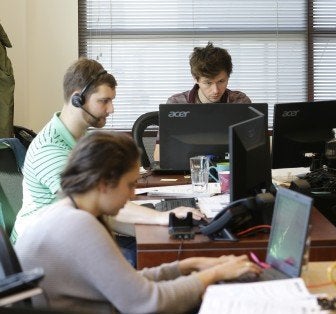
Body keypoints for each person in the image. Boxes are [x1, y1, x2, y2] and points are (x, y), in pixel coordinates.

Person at [15, 131, 261, 313]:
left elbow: (131, 283)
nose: (133, 195)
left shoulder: (69, 210)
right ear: (103, 183)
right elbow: (148, 303)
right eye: (130, 185)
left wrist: (191, 264)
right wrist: (215, 273)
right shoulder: (78, 225)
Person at [12, 58, 203, 266]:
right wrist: (162, 217)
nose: (111, 109)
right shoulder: (50, 149)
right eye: (104, 101)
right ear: (78, 99)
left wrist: (163, 223)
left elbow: (102, 209)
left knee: (165, 245)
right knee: (155, 256)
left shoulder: (81, 139)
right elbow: (93, 201)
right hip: (44, 254)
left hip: (76, 235)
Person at [154, 41, 251, 161]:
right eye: (208, 83)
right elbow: (159, 156)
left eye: (221, 81)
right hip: (188, 172)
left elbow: (253, 149)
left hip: (230, 171)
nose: (216, 90)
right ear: (196, 78)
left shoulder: (240, 102)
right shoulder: (176, 104)